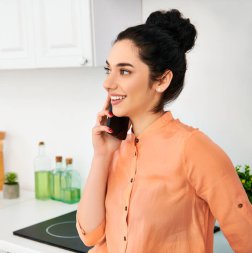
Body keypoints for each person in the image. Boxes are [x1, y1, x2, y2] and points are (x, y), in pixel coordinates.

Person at [76, 9, 252, 253]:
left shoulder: (194, 149)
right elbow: (90, 235)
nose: (108, 83)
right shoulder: (115, 148)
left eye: (124, 71)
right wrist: (102, 155)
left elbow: (247, 237)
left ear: (161, 80)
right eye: (109, 70)